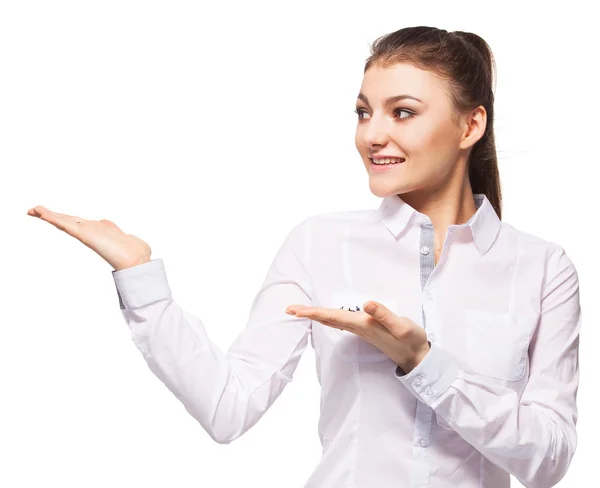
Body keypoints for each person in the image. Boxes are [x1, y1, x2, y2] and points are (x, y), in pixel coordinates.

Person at [26, 26, 581, 488]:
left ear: (470, 125)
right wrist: (140, 276)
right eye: (364, 113)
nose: (373, 135)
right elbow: (229, 407)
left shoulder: (542, 268)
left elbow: (548, 459)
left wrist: (424, 362)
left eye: (403, 112)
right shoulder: (319, 244)